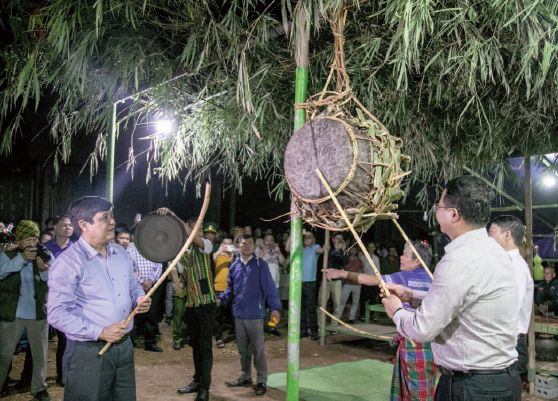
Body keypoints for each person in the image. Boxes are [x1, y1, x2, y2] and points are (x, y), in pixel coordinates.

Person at [382, 176, 521, 401]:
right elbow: (464, 298)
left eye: (439, 206)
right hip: (501, 381)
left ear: (453, 214)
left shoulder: (458, 261)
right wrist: (412, 296)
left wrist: (397, 311)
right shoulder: (493, 251)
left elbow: (423, 329)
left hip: (472, 387)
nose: (436, 210)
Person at [47, 196, 151, 401]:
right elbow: (56, 314)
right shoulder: (69, 262)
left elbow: (131, 283)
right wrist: (100, 331)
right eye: (104, 217)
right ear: (84, 225)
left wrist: (139, 297)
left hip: (124, 348)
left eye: (111, 216)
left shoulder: (120, 253)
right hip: (89, 352)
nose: (112, 221)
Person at [159, 210, 215, 401]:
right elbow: (176, 268)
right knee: (196, 346)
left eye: (199, 229)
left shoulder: (206, 245)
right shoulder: (186, 252)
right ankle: (197, 381)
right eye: (195, 229)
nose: (198, 232)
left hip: (206, 304)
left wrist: (174, 215)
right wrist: (177, 282)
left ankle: (205, 387)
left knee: (205, 347)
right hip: (191, 304)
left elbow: (194, 240)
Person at [218, 234, 281, 396]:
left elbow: (270, 289)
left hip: (255, 315)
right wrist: (219, 300)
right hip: (238, 315)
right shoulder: (234, 265)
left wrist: (275, 308)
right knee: (243, 350)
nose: (246, 246)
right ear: (238, 246)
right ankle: (245, 376)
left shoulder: (260, 264)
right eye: (243, 243)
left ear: (254, 247)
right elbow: (230, 290)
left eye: (250, 243)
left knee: (258, 350)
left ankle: (261, 381)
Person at [0, 221, 52, 401]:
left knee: (40, 355)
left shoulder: (45, 255)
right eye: (28, 239)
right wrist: (21, 259)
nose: (32, 244)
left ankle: (39, 388)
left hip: (37, 312)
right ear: (19, 241)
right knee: (3, 355)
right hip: (12, 312)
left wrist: (45, 271)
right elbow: (1, 272)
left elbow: (53, 281)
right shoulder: (7, 255)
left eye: (35, 239)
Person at [487, 215, 534, 380]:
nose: (488, 237)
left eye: (491, 232)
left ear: (507, 235)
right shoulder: (504, 263)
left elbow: (509, 307)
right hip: (502, 343)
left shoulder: (514, 266)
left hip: (509, 345)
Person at [286, 231, 325, 340]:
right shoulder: (299, 248)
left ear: (313, 239)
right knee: (301, 308)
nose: (307, 239)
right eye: (305, 237)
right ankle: (303, 330)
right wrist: (292, 234)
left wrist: (325, 248)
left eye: (309, 237)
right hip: (299, 281)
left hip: (310, 282)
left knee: (311, 308)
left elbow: (321, 250)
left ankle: (314, 330)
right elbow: (287, 248)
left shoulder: (315, 247)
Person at [126, 238, 164, 353]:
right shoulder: (131, 248)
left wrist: (151, 281)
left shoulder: (154, 248)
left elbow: (159, 266)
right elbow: (129, 268)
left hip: (151, 288)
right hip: (135, 287)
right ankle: (131, 342)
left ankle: (150, 342)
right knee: (134, 315)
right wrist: (139, 284)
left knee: (151, 315)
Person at [319, 233, 348, 332]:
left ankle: (334, 326)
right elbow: (325, 260)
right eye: (337, 238)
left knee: (337, 304)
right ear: (333, 239)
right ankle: (320, 326)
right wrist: (334, 249)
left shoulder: (343, 251)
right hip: (325, 280)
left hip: (337, 282)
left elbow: (345, 262)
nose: (339, 241)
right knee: (322, 303)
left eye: (341, 239)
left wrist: (343, 250)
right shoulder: (328, 249)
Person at [213, 235, 235, 348]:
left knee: (234, 314)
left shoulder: (234, 256)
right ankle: (219, 338)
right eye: (225, 243)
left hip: (232, 289)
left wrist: (235, 251)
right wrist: (219, 251)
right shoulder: (217, 255)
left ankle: (237, 336)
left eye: (229, 244)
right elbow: (211, 262)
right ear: (221, 244)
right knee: (218, 315)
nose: (226, 246)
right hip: (218, 289)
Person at [334, 246, 363, 325]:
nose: (353, 251)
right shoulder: (346, 260)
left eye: (355, 250)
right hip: (347, 283)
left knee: (355, 302)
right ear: (349, 251)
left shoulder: (359, 261)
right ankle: (338, 318)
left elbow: (362, 270)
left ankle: (352, 317)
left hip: (357, 283)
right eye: (352, 250)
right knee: (342, 301)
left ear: (357, 251)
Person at [358, 241, 381, 321]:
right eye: (369, 247)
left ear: (375, 248)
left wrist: (378, 281)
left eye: (372, 247)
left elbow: (378, 270)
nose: (371, 248)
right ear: (367, 248)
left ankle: (372, 315)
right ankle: (362, 314)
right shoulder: (363, 257)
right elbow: (361, 270)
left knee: (373, 298)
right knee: (363, 298)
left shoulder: (376, 258)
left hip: (374, 281)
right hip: (365, 281)